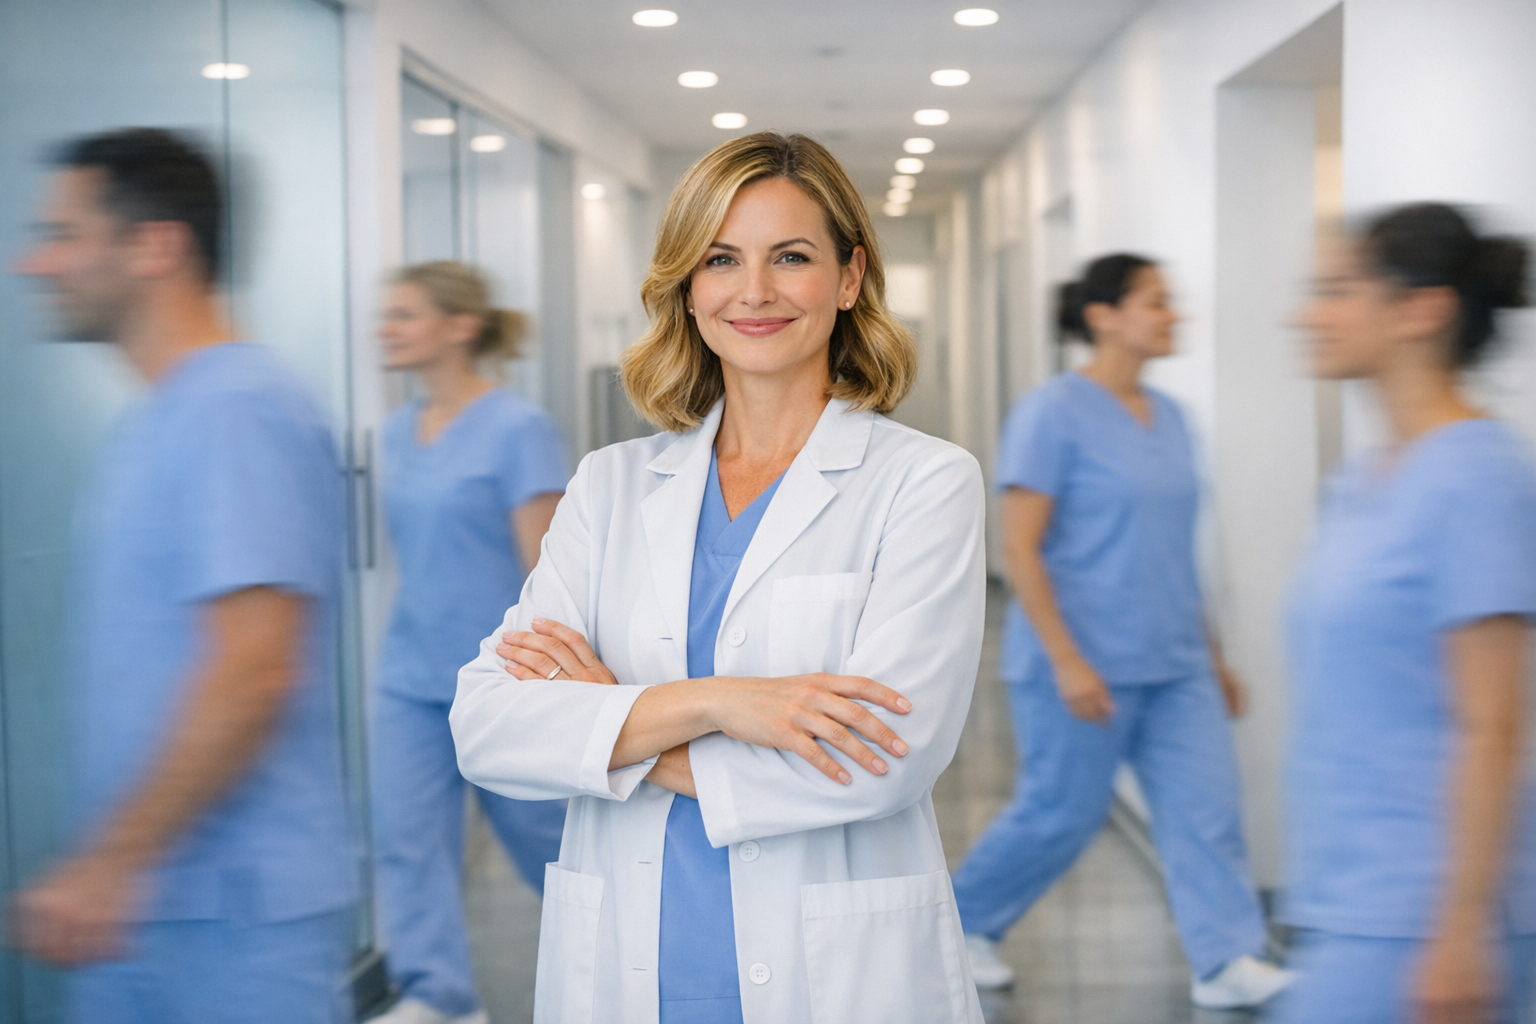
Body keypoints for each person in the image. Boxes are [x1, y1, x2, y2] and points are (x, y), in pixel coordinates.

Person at [449, 132, 987, 1023]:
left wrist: (614, 722)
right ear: (688, 288)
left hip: (836, 977)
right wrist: (723, 701)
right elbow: (489, 726)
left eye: (792, 258)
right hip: (629, 971)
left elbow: (880, 763)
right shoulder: (612, 484)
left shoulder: (923, 482)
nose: (755, 291)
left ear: (849, 279)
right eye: (722, 259)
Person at [11, 128, 354, 1023]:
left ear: (155, 246)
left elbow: (254, 671)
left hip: (231, 925)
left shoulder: (236, 407)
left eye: (66, 234)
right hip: (149, 913)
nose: (35, 263)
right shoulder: (165, 417)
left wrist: (110, 863)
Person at [950, 254, 1291, 1009]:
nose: (1173, 316)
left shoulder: (1171, 418)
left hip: (1176, 663)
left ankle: (1226, 957)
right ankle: (960, 927)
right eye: (1156, 302)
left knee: (1208, 811)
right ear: (1103, 316)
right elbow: (1021, 547)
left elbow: (1176, 548)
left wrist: (1213, 655)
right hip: (1079, 664)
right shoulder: (1052, 412)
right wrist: (1068, 660)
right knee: (1058, 817)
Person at [1277, 203, 1536, 1024]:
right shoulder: (1364, 480)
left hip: (1425, 918)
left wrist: (1461, 931)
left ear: (1422, 310)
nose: (1308, 315)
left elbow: (1493, 724)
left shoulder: (1476, 479)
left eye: (1338, 291)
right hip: (1347, 896)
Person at [369, 261, 569, 1024]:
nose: (387, 328)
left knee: (544, 841)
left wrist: (550, 687)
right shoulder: (394, 431)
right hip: (409, 673)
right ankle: (438, 996)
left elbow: (548, 573)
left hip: (498, 678)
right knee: (407, 840)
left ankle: (643, 953)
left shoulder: (518, 429)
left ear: (460, 327)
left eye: (405, 314)